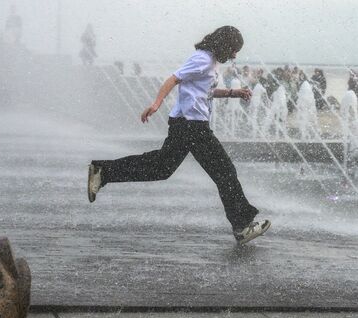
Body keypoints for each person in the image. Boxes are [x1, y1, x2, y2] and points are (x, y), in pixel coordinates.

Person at [87, 25, 270, 245]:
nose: (234, 55)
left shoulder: (209, 62)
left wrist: (232, 92)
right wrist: (156, 103)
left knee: (161, 168)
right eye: (233, 49)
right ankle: (242, 226)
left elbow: (205, 91)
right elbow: (174, 79)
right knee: (225, 172)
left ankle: (103, 171)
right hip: (192, 126)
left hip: (187, 126)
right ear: (224, 45)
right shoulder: (202, 59)